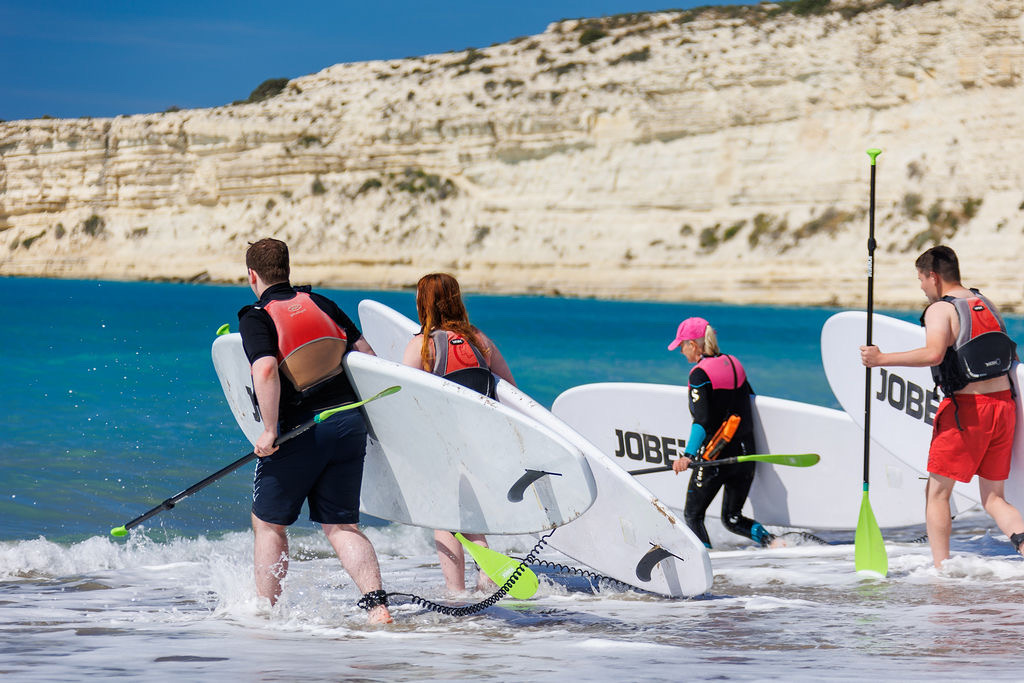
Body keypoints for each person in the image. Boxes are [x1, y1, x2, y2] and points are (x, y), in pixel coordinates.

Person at [238, 238, 392, 623]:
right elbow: (366, 355)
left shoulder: (256, 316)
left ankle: (265, 614)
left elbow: (266, 369)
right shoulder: (321, 303)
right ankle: (378, 609)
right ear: (287, 269)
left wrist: (270, 431)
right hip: (348, 424)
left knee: (269, 523)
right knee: (341, 524)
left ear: (252, 275)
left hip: (299, 430)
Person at [860, 245, 1024, 569]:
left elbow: (934, 354)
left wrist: (880, 360)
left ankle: (941, 571)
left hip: (968, 411)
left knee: (937, 494)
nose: (921, 286)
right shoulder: (985, 304)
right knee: (993, 498)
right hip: (1004, 408)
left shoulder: (941, 310)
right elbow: (1009, 357)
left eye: (921, 279)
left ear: (933, 276)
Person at [401, 273, 517, 593]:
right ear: (456, 299)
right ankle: (487, 580)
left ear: (423, 304)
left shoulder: (422, 345)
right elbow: (511, 391)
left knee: (444, 518)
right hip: (483, 441)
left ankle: (455, 593)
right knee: (470, 515)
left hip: (441, 442)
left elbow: (403, 401)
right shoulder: (480, 340)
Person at [668, 316, 777, 549]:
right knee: (732, 518)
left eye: (681, 345)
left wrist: (687, 455)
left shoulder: (699, 374)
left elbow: (702, 421)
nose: (680, 351)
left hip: (715, 457)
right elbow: (749, 402)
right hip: (745, 454)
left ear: (693, 345)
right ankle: (775, 544)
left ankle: (707, 564)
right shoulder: (734, 363)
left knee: (693, 515)